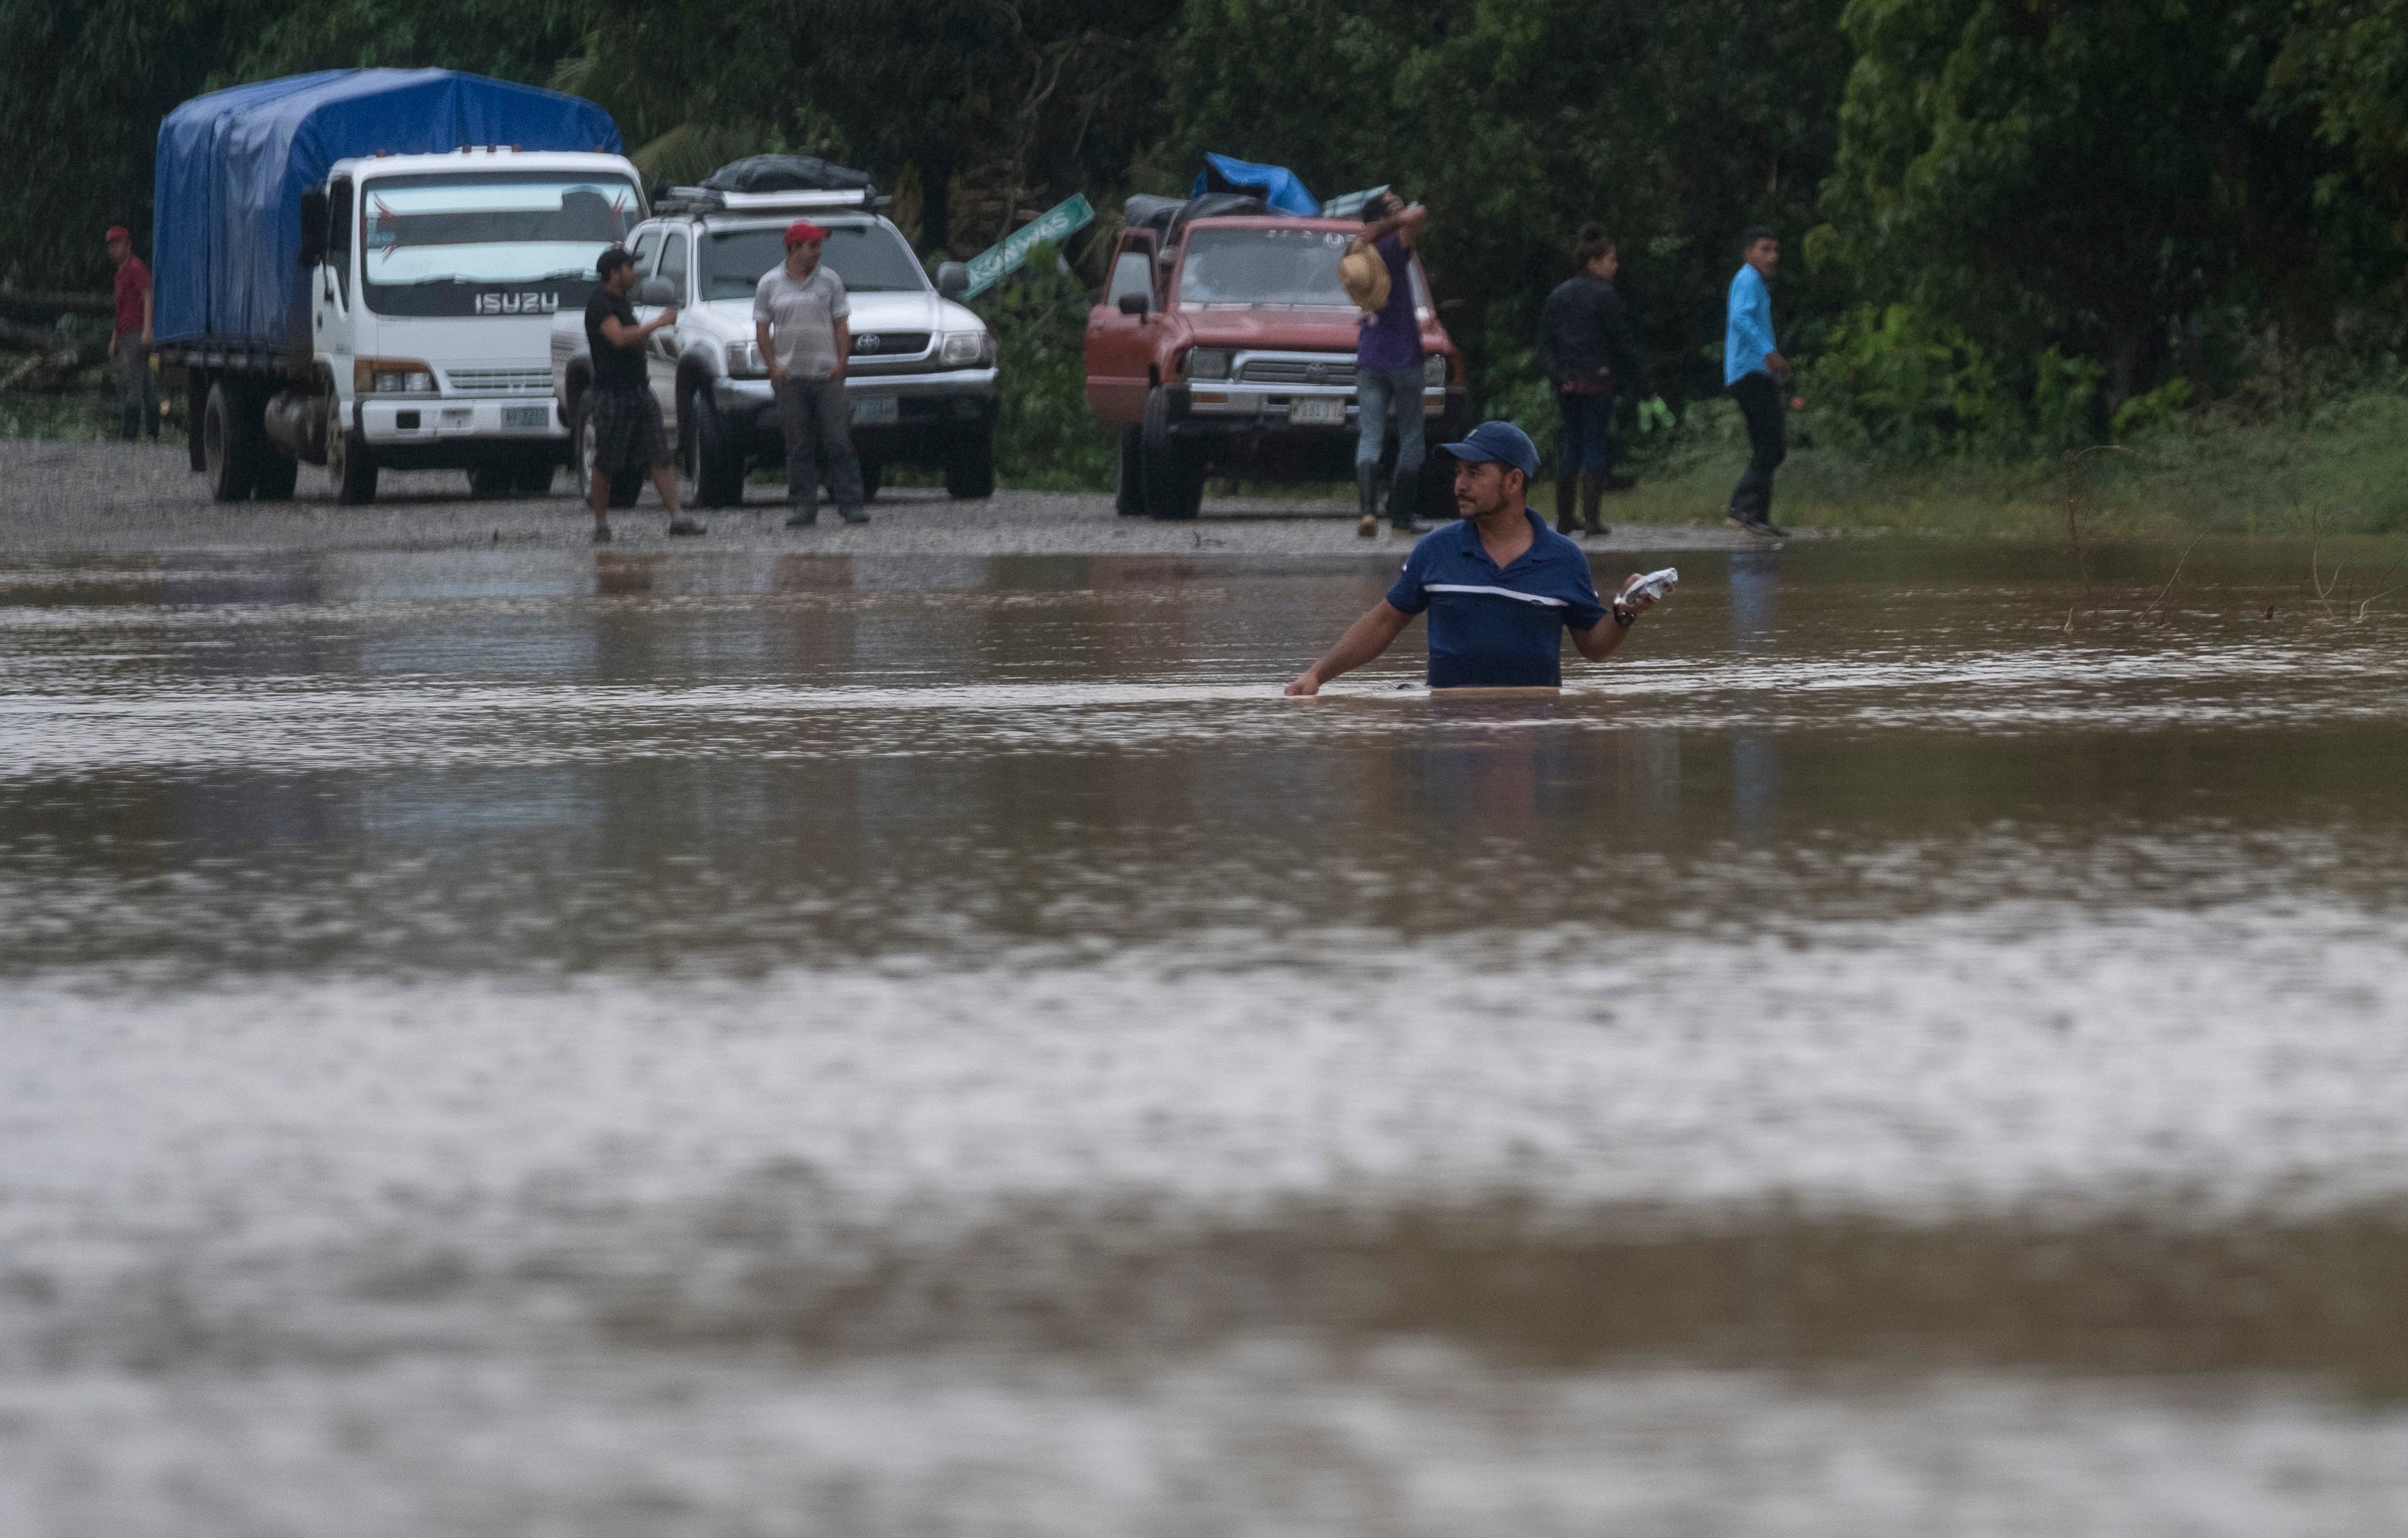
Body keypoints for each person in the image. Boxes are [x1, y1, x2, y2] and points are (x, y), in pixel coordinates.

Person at [1284, 421, 1662, 694]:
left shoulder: (1564, 559)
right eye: (1459, 473)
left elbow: (1593, 647)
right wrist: (1317, 675)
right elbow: (1383, 624)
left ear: (1514, 482)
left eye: (1475, 473)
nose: (1460, 485)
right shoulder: (1435, 551)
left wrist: (1623, 612)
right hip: (1449, 729)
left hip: (1533, 730)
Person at [583, 246, 704, 543]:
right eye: (629, 267)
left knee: (658, 456)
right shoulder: (601, 305)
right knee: (606, 462)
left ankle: (677, 518)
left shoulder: (621, 302)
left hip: (639, 391)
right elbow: (619, 338)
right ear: (615, 273)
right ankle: (601, 524)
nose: (634, 273)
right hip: (613, 395)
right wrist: (658, 323)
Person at [1535, 223, 1648, 539]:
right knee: (1595, 442)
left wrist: (1556, 373)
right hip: (1598, 382)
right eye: (1611, 260)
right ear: (1594, 263)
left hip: (1566, 383)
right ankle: (1593, 519)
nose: (1615, 266)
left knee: (1570, 443)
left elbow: (1544, 343)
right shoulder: (1606, 296)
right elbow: (1622, 343)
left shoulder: (1558, 295)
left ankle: (1565, 518)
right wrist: (1640, 384)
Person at [755, 219, 866, 527]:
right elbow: (762, 329)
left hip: (826, 376)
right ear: (794, 248)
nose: (818, 252)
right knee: (799, 446)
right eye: (812, 245)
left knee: (839, 441)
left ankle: (851, 504)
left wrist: (842, 362)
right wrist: (772, 367)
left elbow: (841, 324)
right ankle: (804, 506)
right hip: (790, 378)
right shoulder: (769, 284)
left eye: (819, 245)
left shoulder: (830, 281)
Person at [1345, 192, 1431, 539]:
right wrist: (1396, 220)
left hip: (1369, 355)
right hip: (1403, 355)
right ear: (1385, 217)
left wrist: (1375, 226)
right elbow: (1419, 215)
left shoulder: (1357, 251)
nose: (1405, 208)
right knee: (1412, 435)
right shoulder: (1395, 245)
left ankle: (1367, 511)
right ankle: (1401, 517)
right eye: (1396, 205)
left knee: (1370, 435)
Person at [1724, 225, 1790, 539]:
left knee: (1768, 443)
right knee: (1772, 444)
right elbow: (1741, 318)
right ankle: (1743, 508)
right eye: (1764, 249)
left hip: (1755, 372)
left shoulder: (1757, 284)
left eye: (1775, 250)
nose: (1772, 256)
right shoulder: (1748, 278)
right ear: (1748, 252)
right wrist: (1769, 353)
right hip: (1748, 372)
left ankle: (1757, 515)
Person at [104, 225, 157, 443]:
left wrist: (147, 329)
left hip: (136, 332)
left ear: (128, 246)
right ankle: (153, 432)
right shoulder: (120, 273)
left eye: (118, 245)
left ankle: (129, 435)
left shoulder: (136, 268)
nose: (113, 250)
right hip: (125, 332)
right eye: (111, 246)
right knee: (146, 384)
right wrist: (114, 338)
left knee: (133, 383)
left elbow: (147, 296)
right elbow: (120, 306)